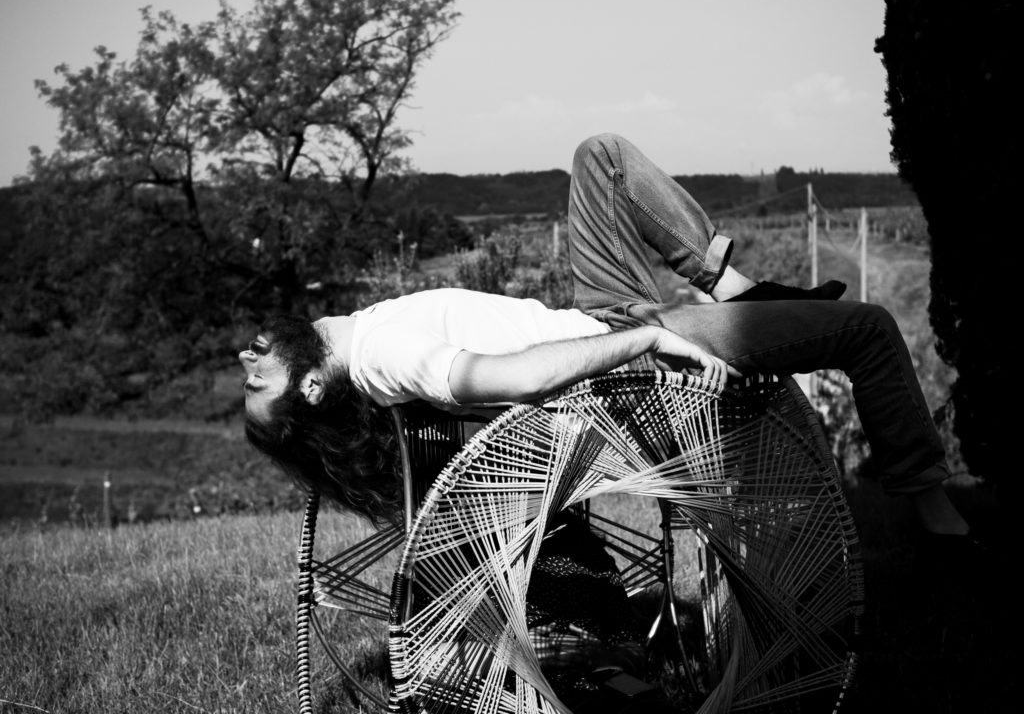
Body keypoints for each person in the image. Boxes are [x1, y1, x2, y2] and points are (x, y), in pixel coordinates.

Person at [239, 133, 972, 548]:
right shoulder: (380, 356)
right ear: (312, 388)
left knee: (601, 157)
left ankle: (737, 289)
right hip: (625, 365)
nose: (247, 358)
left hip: (599, 317)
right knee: (870, 329)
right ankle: (932, 506)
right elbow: (516, 380)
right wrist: (642, 343)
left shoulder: (360, 333)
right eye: (256, 381)